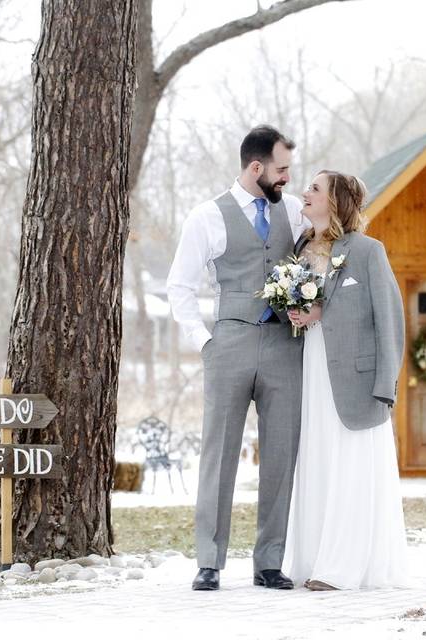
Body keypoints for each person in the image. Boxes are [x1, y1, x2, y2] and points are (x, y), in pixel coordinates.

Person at [166, 125, 311, 591]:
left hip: (285, 347)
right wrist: (204, 342)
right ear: (257, 167)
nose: (288, 178)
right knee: (219, 452)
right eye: (282, 168)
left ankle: (269, 561)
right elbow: (180, 287)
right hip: (228, 344)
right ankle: (208, 560)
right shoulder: (206, 217)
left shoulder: (294, 212)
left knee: (281, 455)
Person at [282, 170, 411, 590]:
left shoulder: (368, 252)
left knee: (351, 470)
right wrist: (298, 314)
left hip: (357, 384)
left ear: (336, 201)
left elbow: (391, 321)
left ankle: (343, 569)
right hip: (312, 373)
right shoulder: (299, 251)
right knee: (318, 461)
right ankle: (313, 559)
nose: (306, 192)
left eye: (315, 189)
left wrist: (385, 387)